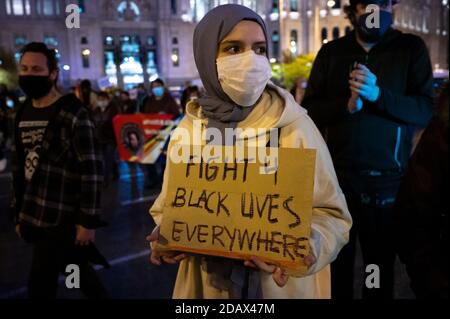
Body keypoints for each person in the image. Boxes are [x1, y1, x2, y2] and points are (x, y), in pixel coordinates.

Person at [146, 4, 351, 299]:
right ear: (206, 55)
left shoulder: (295, 126)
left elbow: (333, 214)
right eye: (233, 49)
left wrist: (311, 245)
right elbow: (169, 207)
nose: (250, 60)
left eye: (259, 49)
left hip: (280, 288)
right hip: (208, 288)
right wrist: (167, 237)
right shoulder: (189, 131)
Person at [301, 0, 434, 299]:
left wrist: (377, 95)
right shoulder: (332, 52)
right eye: (368, 5)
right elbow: (309, 110)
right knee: (338, 265)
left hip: (386, 182)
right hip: (338, 181)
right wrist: (345, 106)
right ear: (356, 9)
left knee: (376, 266)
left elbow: (424, 109)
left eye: (383, 3)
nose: (376, 12)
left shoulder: (410, 49)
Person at [11, 42, 108, 299]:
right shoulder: (22, 112)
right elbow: (19, 167)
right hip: (33, 213)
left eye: (36, 69)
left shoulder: (74, 112)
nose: (29, 74)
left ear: (52, 73)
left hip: (62, 216)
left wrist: (87, 222)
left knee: (40, 284)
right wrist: (18, 213)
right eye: (24, 69)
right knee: (79, 274)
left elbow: (92, 171)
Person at [394, 84, 449, 299]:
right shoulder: (442, 132)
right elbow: (412, 214)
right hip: (440, 281)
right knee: (375, 272)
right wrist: (433, 281)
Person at [92, 91, 121, 186]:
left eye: (103, 100)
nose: (101, 102)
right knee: (106, 158)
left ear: (108, 100)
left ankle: (105, 179)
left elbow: (117, 123)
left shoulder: (114, 110)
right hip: (100, 138)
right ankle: (115, 172)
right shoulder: (96, 110)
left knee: (108, 159)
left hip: (111, 138)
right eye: (99, 100)